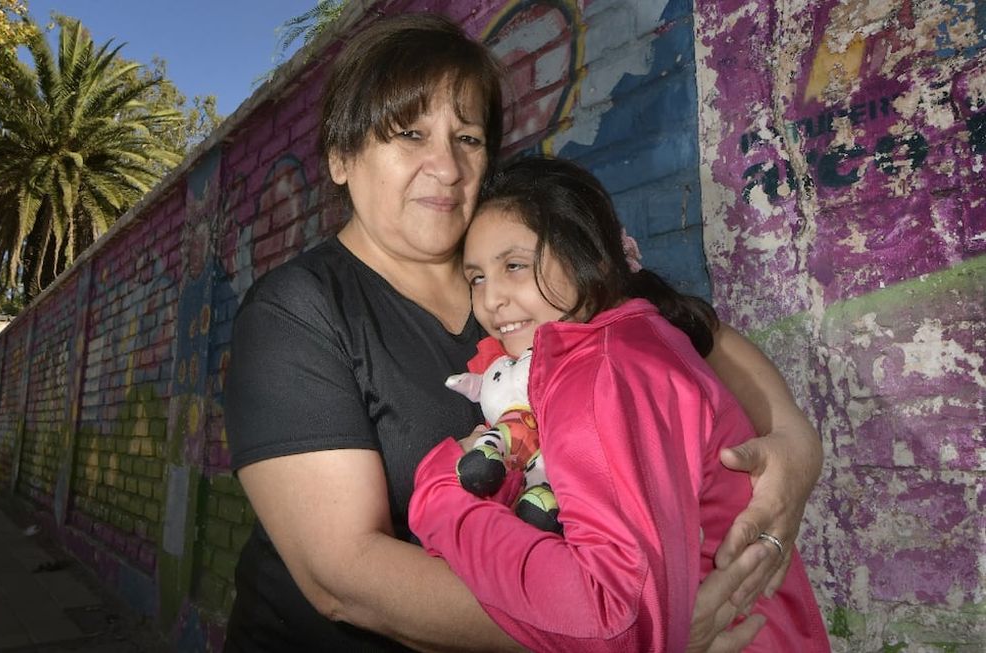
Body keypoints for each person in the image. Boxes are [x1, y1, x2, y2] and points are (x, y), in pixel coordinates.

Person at [223, 13, 823, 652]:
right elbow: (343, 577)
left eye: (469, 138)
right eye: (409, 134)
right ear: (342, 157)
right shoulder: (297, 312)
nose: (447, 167)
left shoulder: (516, 260)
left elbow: (678, 325)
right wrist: (634, 630)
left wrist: (794, 438)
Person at [408, 156, 831, 652]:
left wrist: (441, 498)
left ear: (593, 258)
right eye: (476, 277)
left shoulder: (603, 374)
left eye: (515, 265)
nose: (492, 298)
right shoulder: (627, 343)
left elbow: (613, 619)